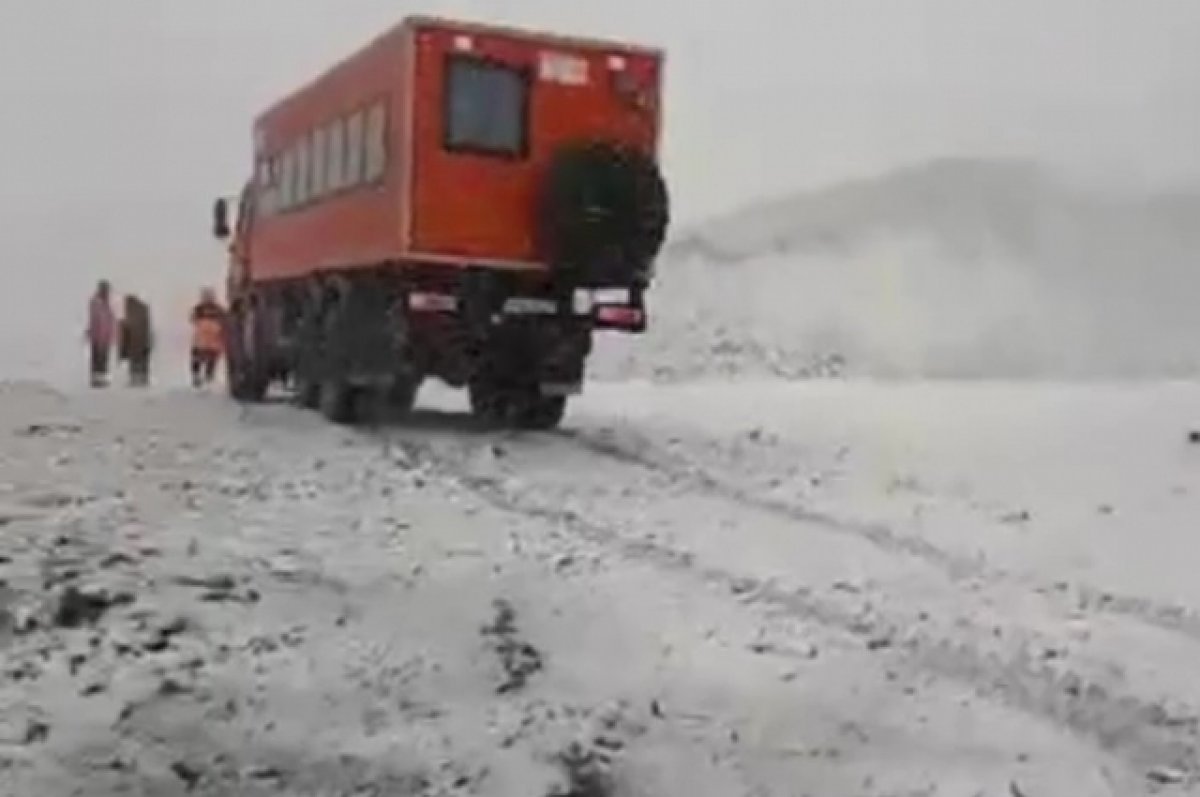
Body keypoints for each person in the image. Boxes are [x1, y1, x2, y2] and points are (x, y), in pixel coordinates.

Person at [190, 288, 226, 387]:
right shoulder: (199, 309)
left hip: (212, 341)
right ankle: (197, 377)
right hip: (202, 341)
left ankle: (207, 378)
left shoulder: (218, 309)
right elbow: (193, 319)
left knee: (210, 361)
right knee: (197, 360)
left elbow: (225, 321)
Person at [118, 295, 154, 387]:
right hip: (142, 343)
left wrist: (123, 349)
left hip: (135, 344)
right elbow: (147, 328)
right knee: (141, 360)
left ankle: (137, 378)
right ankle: (142, 378)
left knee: (136, 360)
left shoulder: (131, 315)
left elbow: (126, 332)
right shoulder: (142, 311)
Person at [85, 280, 116, 388]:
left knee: (103, 359)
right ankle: (96, 380)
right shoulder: (97, 303)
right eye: (105, 290)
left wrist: (112, 335)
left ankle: (101, 379)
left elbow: (110, 321)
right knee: (97, 358)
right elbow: (96, 320)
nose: (107, 292)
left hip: (105, 338)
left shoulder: (107, 304)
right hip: (97, 337)